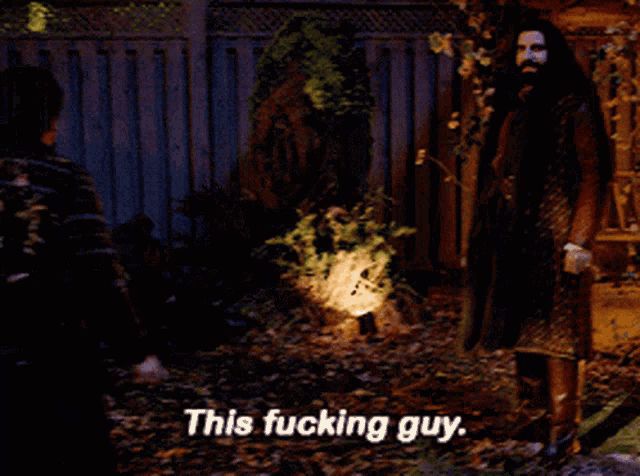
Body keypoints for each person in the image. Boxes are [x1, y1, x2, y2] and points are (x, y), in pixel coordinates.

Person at [0, 66, 167, 475]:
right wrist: (135, 349)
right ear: (50, 120)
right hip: (52, 355)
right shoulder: (64, 178)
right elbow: (98, 270)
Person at [462, 18, 612, 456]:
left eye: (538, 49)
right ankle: (534, 419)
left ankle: (563, 430)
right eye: (522, 49)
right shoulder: (515, 107)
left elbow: (593, 174)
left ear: (553, 54)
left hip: (559, 238)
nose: (529, 57)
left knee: (558, 335)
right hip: (518, 239)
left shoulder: (574, 106)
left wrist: (579, 240)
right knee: (522, 328)